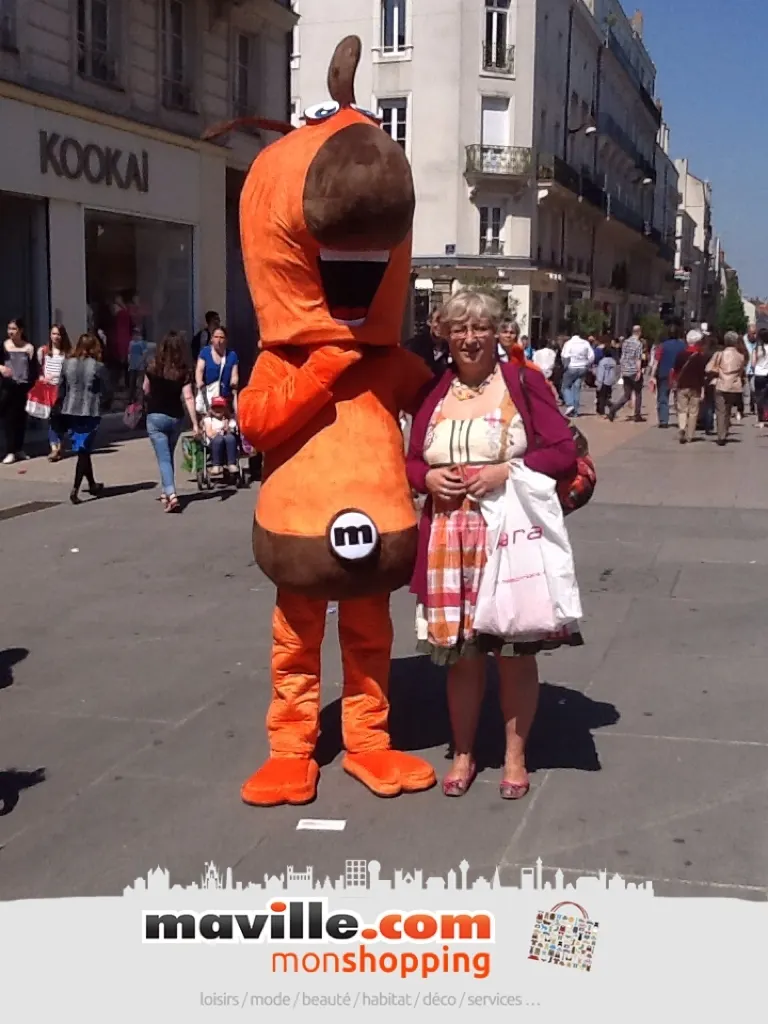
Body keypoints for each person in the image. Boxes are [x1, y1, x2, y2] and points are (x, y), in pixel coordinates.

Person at [406, 290, 580, 800]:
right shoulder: (434, 391)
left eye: (480, 327)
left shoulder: (522, 383)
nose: (469, 338)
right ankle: (463, 753)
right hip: (447, 542)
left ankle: (514, 757)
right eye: (459, 329)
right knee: (461, 658)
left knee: (513, 656)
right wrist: (426, 478)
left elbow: (564, 451)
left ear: (496, 332)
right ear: (445, 335)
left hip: (508, 539)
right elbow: (411, 460)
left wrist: (508, 470)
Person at [144, 330, 199, 512]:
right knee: (168, 455)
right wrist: (195, 423)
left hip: (155, 416)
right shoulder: (183, 371)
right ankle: (165, 491)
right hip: (176, 417)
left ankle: (172, 495)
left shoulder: (153, 365)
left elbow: (145, 389)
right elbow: (188, 397)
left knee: (164, 458)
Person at [57, 333, 111, 503]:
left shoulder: (67, 363)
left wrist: (60, 405)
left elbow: (61, 387)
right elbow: (108, 389)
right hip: (90, 410)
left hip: (70, 409)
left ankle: (92, 484)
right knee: (83, 450)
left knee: (83, 449)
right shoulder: (98, 366)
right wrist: (105, 403)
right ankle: (75, 489)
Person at [1, 318, 38, 464]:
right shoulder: (4, 346)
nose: (11, 332)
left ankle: (19, 449)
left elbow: (33, 369)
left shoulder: (29, 347)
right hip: (8, 387)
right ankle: (10, 451)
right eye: (9, 329)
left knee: (21, 418)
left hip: (23, 386)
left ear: (21, 330)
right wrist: (1, 368)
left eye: (14, 329)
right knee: (9, 419)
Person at [38, 323, 72, 462]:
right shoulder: (44, 351)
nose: (56, 337)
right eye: (53, 334)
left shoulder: (68, 353)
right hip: (48, 389)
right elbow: (39, 370)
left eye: (58, 334)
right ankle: (54, 448)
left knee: (61, 419)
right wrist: (42, 378)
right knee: (52, 418)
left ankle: (59, 445)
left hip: (62, 389)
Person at [706, 331, 746, 446]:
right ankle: (725, 429)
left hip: (721, 384)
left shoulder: (719, 354)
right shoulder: (740, 356)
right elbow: (741, 372)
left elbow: (708, 368)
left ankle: (721, 435)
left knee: (720, 411)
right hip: (734, 386)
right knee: (728, 410)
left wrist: (718, 370)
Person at [673, 330, 709, 445]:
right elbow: (702, 374)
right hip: (695, 386)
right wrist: (703, 389)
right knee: (693, 412)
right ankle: (690, 435)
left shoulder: (680, 354)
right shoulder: (700, 357)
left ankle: (682, 427)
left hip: (682, 385)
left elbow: (675, 370)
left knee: (682, 410)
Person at [195, 325, 239, 414]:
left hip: (225, 398)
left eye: (221, 337)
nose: (218, 340)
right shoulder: (205, 352)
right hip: (209, 396)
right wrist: (199, 382)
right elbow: (199, 370)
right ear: (211, 339)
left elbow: (234, 374)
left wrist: (234, 382)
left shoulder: (232, 355)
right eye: (216, 337)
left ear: (226, 340)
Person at [607, 328, 644, 423]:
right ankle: (637, 415)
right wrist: (639, 371)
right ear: (639, 332)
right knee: (638, 393)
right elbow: (638, 358)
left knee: (626, 395)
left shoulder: (625, 342)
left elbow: (623, 357)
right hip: (634, 370)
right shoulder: (638, 344)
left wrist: (622, 370)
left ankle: (613, 409)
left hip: (626, 371)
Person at [653, 322, 686, 428]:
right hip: (679, 374)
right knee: (679, 397)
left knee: (663, 397)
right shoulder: (683, 346)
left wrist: (652, 374)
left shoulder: (662, 346)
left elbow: (656, 361)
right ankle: (681, 419)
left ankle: (663, 421)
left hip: (664, 373)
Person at [404, 307, 451, 376]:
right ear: (429, 322)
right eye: (437, 321)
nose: (441, 326)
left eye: (445, 323)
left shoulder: (451, 350)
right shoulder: (413, 346)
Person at [560, 329, 595, 417]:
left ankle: (570, 404)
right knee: (576, 388)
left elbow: (564, 356)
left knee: (565, 387)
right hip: (582, 368)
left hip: (572, 367)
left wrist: (565, 366)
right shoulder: (585, 343)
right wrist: (587, 364)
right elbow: (591, 356)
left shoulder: (568, 343)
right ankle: (575, 412)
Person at [203, 396, 239, 478]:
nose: (217, 410)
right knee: (218, 439)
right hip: (213, 442)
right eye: (215, 408)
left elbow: (231, 431)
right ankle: (216, 465)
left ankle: (231, 464)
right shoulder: (209, 420)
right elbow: (210, 434)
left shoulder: (228, 420)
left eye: (220, 407)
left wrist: (227, 428)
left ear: (225, 409)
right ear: (211, 409)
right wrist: (220, 428)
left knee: (230, 438)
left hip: (227, 442)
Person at [126, 325, 148, 406]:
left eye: (137, 333)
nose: (135, 335)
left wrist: (140, 363)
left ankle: (140, 400)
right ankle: (131, 399)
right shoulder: (131, 343)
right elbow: (129, 353)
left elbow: (144, 354)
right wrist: (129, 362)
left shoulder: (142, 343)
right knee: (132, 383)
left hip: (140, 366)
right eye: (134, 333)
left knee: (139, 384)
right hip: (132, 366)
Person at [595, 343, 617, 416]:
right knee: (607, 397)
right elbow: (615, 372)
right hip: (610, 382)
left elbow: (601, 373)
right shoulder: (613, 362)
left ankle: (602, 412)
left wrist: (599, 383)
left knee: (601, 397)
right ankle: (610, 407)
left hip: (603, 382)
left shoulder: (602, 362)